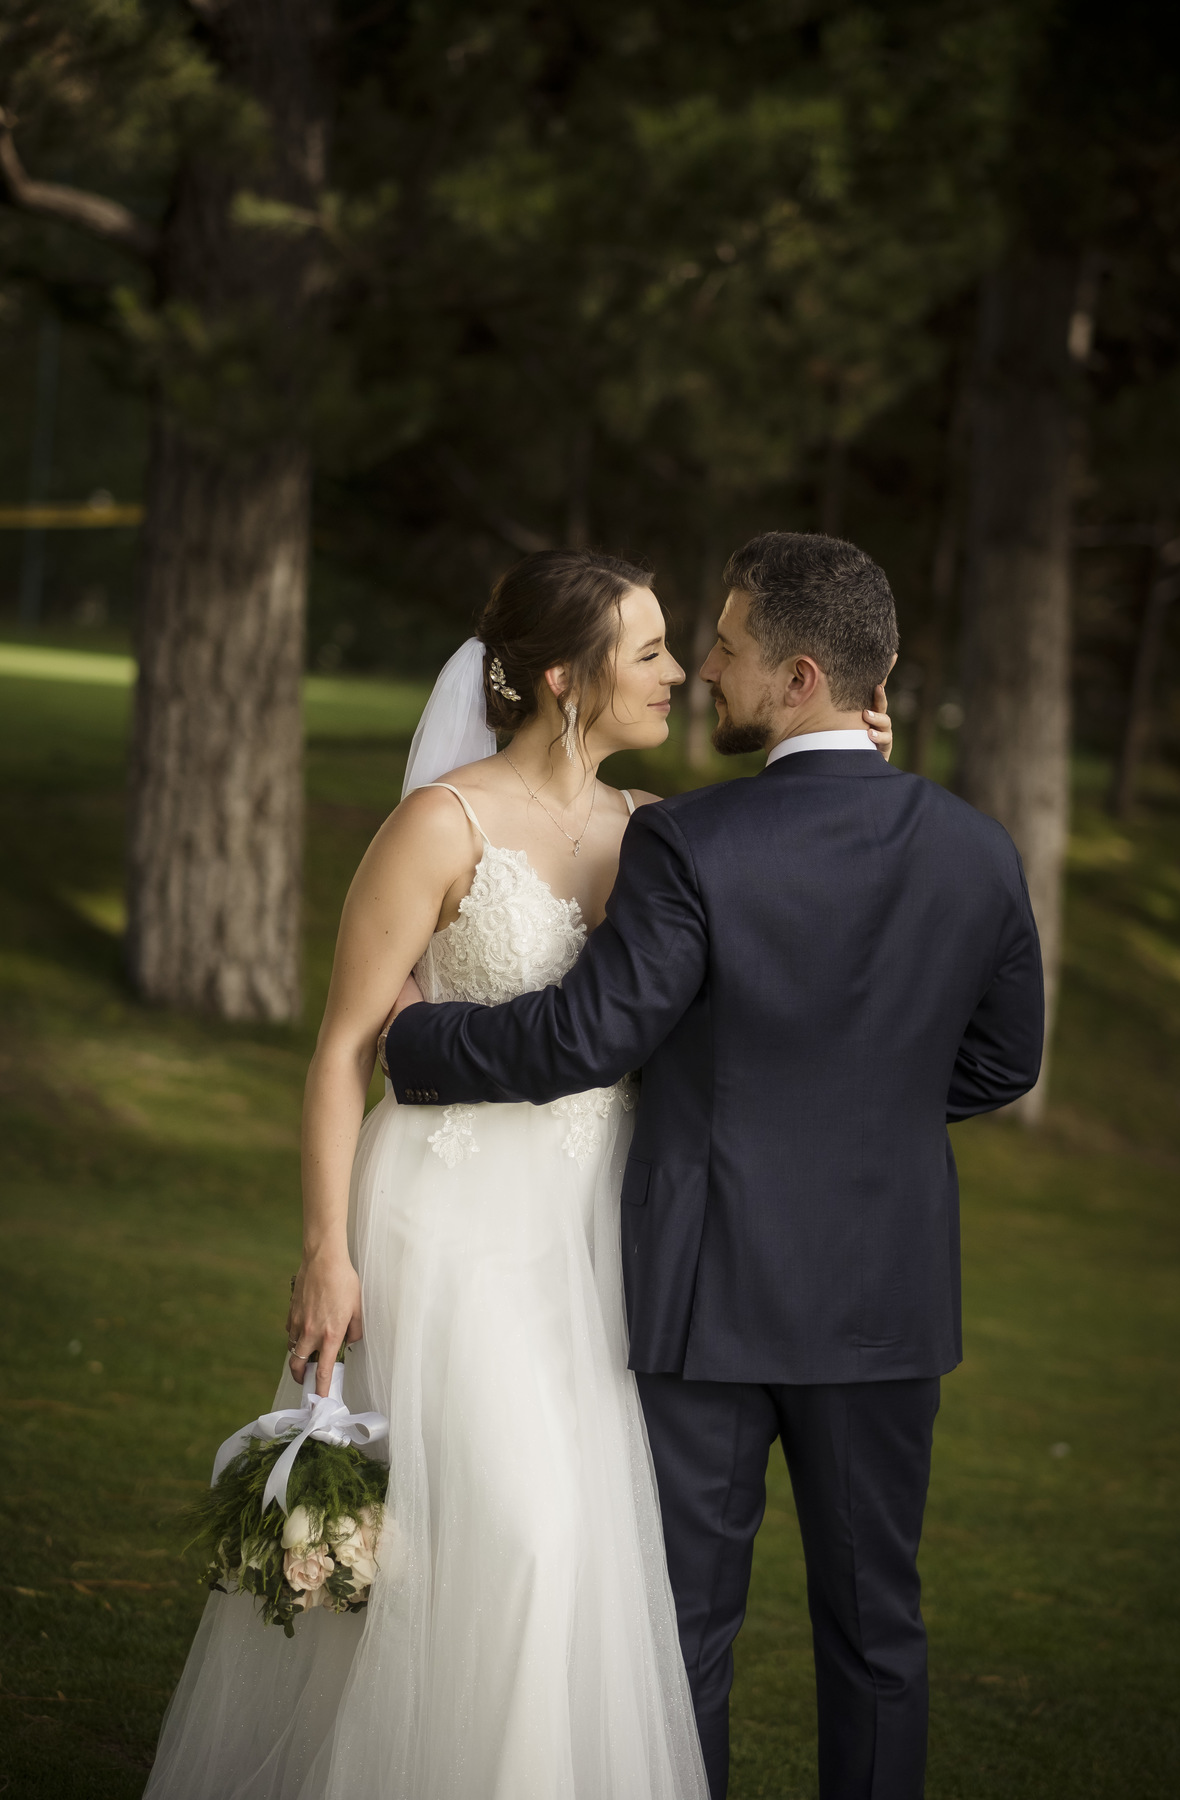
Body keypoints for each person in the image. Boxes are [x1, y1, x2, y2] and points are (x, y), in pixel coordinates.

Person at [143, 543, 895, 1800]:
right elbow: (341, 1052)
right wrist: (325, 1250)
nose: (682, 673)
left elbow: (792, 892)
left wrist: (861, 769)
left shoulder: (662, 833)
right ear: (564, 677)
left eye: (681, 648)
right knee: (521, 1539)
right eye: (652, 650)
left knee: (578, 1554)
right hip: (449, 1223)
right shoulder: (443, 823)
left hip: (598, 1233)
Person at [385, 531, 1045, 1800]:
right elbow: (1002, 1065)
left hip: (708, 1300)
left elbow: (588, 1036)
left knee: (686, 1633)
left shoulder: (697, 844)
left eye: (730, 651)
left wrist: (418, 1040)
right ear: (881, 677)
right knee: (879, 1633)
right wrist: (875, 1117)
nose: (704, 674)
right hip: (884, 1303)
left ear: (802, 679)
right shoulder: (978, 849)